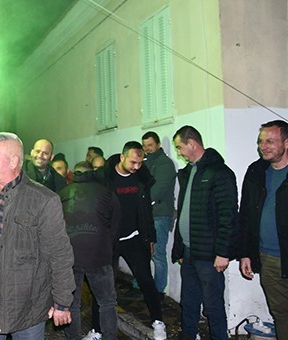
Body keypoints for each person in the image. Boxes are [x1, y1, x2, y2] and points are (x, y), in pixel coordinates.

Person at [0, 132, 75, 339]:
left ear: (14, 161)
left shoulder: (44, 200)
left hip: (27, 303)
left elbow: (59, 253)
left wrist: (62, 302)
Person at [172, 126, 238, 340]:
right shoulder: (189, 172)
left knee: (213, 306)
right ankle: (189, 335)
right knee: (189, 301)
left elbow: (228, 216)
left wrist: (223, 252)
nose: (179, 152)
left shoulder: (219, 173)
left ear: (192, 143)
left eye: (180, 147)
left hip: (209, 255)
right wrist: (180, 247)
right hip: (190, 253)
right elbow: (185, 211)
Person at [94, 141, 166, 339]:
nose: (136, 167)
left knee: (146, 280)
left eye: (140, 163)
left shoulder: (142, 179)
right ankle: (96, 330)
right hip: (110, 240)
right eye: (133, 162)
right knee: (103, 284)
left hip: (134, 238)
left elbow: (146, 211)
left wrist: (150, 237)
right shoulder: (104, 178)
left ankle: (158, 322)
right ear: (122, 157)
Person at [239, 120, 288, 339]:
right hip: (268, 258)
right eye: (261, 141)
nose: (264, 146)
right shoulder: (256, 172)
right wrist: (245, 253)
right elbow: (246, 216)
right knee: (281, 314)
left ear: (287, 142)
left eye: (270, 141)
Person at [61, 161, 120, 340]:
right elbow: (116, 223)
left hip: (70, 257)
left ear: (75, 174)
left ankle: (73, 338)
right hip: (99, 255)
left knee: (72, 304)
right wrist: (107, 244)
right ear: (92, 172)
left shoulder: (62, 194)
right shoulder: (106, 192)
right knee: (107, 302)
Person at [141, 131, 177, 299]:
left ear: (158, 145)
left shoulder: (165, 164)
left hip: (160, 215)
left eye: (150, 145)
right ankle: (143, 284)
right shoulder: (146, 163)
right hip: (148, 214)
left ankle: (158, 290)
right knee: (145, 252)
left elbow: (158, 189)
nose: (147, 149)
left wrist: (140, 200)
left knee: (158, 254)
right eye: (145, 146)